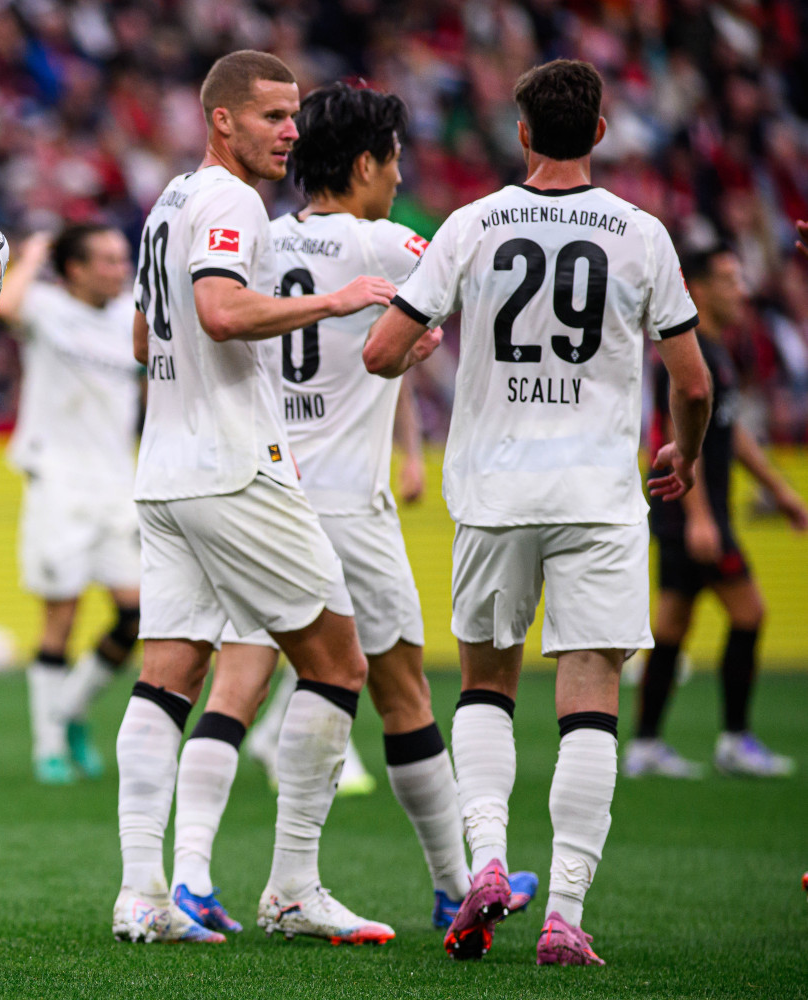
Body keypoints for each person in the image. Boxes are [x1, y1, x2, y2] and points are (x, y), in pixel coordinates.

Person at [164, 81, 539, 939]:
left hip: (261, 490)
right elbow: (499, 287)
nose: (398, 178)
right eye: (395, 162)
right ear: (368, 163)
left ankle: (189, 877)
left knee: (240, 680)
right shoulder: (394, 244)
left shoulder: (253, 238)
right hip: (348, 506)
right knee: (401, 692)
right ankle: (450, 886)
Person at [364, 59, 713, 966]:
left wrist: (433, 339)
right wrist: (684, 449)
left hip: (494, 491)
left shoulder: (472, 224)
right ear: (600, 132)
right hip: (597, 498)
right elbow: (696, 384)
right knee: (590, 695)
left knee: (486, 685)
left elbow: (380, 351)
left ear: (521, 133)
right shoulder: (641, 233)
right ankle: (563, 912)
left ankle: (486, 862)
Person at [117, 49, 403, 946]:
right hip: (234, 466)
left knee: (170, 676)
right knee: (339, 665)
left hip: (164, 468)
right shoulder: (235, 201)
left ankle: (141, 896)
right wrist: (336, 302)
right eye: (273, 116)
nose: (290, 132)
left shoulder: (168, 201)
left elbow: (143, 336)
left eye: (293, 116)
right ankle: (292, 889)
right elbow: (221, 312)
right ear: (223, 121)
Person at [627, 247, 807, 779]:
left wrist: (782, 491)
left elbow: (732, 435)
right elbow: (676, 440)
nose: (741, 290)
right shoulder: (686, 358)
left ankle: (646, 746)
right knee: (749, 614)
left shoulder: (716, 354)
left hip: (685, 511)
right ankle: (733, 739)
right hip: (691, 510)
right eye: (728, 280)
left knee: (674, 625)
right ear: (698, 289)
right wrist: (701, 516)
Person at [0, 224, 143, 785]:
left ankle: (71, 710)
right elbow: (5, 304)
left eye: (121, 257)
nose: (117, 268)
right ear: (75, 269)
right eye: (105, 260)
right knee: (62, 614)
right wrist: (33, 251)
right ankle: (49, 745)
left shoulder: (134, 311)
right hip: (56, 479)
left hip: (116, 483)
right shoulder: (48, 307)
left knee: (135, 613)